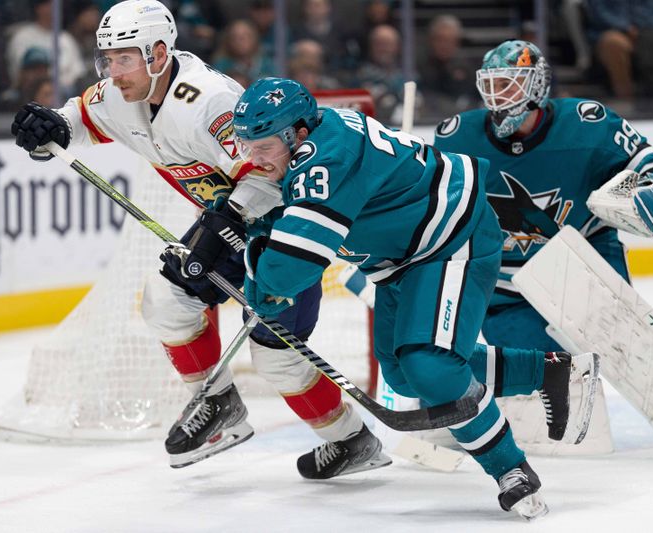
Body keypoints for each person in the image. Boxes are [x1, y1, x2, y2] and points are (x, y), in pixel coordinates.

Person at [9, 0, 385, 479]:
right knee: (166, 299)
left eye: (124, 58)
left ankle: (352, 441)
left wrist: (220, 227)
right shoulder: (119, 94)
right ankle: (217, 405)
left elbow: (268, 174)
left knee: (276, 358)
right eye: (107, 58)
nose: (112, 71)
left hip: (286, 224)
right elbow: (84, 118)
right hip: (228, 221)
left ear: (160, 53)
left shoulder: (209, 101)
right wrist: (54, 125)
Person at [230, 76, 600, 518]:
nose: (254, 159)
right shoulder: (310, 144)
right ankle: (547, 371)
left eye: (265, 146)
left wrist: (252, 257)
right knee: (406, 377)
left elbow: (286, 274)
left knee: (431, 367)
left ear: (299, 135)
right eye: (247, 146)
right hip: (405, 257)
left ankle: (512, 470)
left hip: (450, 241)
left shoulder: (323, 159)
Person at [432, 40, 653, 456]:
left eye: (510, 83)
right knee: (542, 371)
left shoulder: (588, 123)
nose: (498, 94)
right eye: (492, 84)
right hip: (505, 278)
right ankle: (468, 412)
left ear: (537, 86)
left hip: (582, 258)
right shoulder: (456, 136)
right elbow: (431, 207)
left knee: (623, 342)